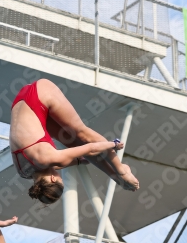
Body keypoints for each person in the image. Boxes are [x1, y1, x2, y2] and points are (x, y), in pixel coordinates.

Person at [10, 79, 139, 204]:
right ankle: (116, 176)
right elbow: (69, 159)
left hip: (40, 93)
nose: (60, 175)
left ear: (53, 179)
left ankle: (121, 171)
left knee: (82, 133)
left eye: (60, 179)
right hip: (21, 101)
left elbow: (91, 148)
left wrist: (113, 144)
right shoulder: (24, 173)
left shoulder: (47, 158)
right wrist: (83, 161)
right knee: (74, 143)